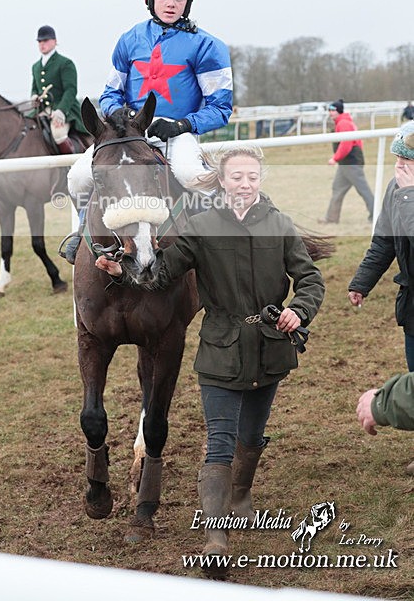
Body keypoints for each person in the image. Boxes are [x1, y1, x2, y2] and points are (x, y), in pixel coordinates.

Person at [96, 145, 325, 574]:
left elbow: (310, 278)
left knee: (252, 438)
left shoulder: (279, 225)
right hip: (220, 348)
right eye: (236, 177)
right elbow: (160, 275)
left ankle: (241, 495)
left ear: (260, 180)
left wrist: (300, 309)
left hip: (271, 347)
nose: (244, 184)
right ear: (222, 182)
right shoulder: (200, 228)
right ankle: (215, 537)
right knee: (219, 442)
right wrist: (122, 271)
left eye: (251, 177)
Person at [62, 0, 233, 264]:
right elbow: (111, 93)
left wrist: (182, 125)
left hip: (175, 133)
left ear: (188, 2)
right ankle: (81, 233)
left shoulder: (209, 46)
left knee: (191, 174)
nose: (171, 3)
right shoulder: (129, 40)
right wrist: (119, 116)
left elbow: (221, 108)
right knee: (76, 178)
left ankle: (222, 242)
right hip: (127, 133)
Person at [348, 120, 414, 474]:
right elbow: (384, 242)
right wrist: (362, 281)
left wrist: (407, 195)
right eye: (397, 161)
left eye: (408, 163)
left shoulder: (404, 193)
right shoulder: (397, 189)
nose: (400, 169)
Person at [30, 25, 88, 154]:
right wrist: (34, 96)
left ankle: (68, 166)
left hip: (65, 110)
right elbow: (34, 88)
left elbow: (70, 90)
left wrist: (61, 111)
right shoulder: (36, 67)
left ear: (54, 42)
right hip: (43, 109)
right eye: (40, 41)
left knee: (58, 133)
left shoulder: (65, 63)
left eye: (45, 41)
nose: (42, 44)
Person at [318, 99, 374, 225]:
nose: (330, 113)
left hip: (350, 162)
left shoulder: (343, 123)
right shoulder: (343, 122)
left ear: (339, 111)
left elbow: (346, 145)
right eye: (329, 110)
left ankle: (377, 216)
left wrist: (335, 158)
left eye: (333, 110)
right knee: (337, 189)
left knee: (363, 190)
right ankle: (331, 219)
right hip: (346, 163)